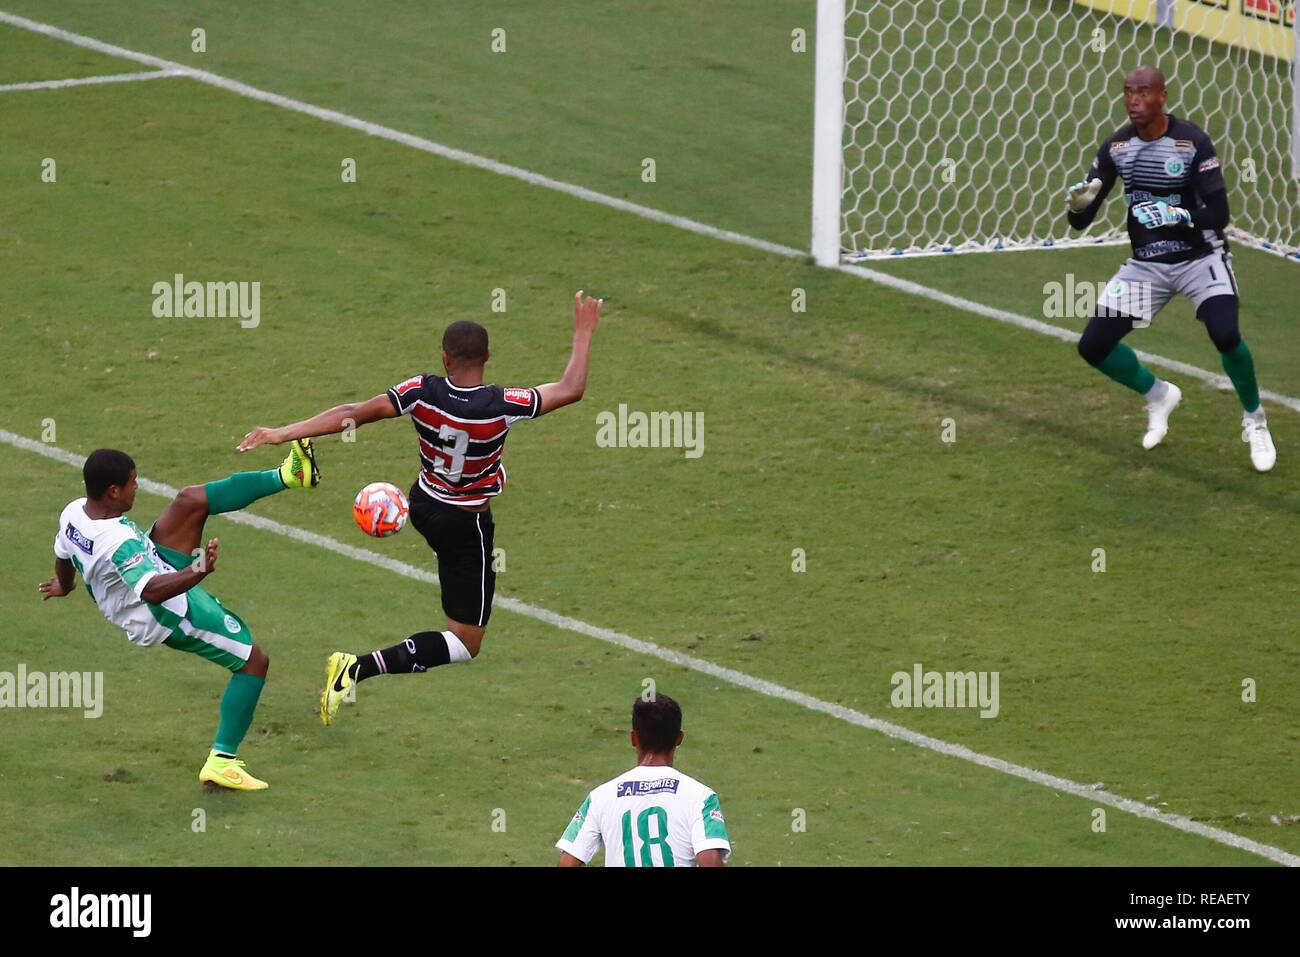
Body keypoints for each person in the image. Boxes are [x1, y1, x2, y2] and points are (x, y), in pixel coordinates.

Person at [235, 291, 601, 725]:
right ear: (488, 356)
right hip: (466, 527)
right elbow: (571, 388)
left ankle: (360, 659)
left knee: (453, 587)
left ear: (445, 357)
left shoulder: (421, 391)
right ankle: (356, 667)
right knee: (465, 641)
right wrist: (583, 331)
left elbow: (353, 412)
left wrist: (282, 432)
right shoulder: (504, 404)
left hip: (423, 504)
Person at [40, 441, 320, 789]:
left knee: (191, 500)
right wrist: (199, 571)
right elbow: (152, 590)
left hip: (153, 564)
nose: (137, 486)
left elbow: (63, 553)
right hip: (161, 612)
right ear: (113, 491)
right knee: (254, 662)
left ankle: (290, 474)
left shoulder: (74, 513)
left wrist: (65, 586)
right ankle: (222, 761)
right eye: (132, 482)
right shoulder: (116, 542)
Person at [1065, 65, 1275, 471]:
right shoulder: (1117, 149)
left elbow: (1219, 213)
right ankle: (1159, 394)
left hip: (1200, 258)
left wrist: (1176, 215)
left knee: (1225, 333)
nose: (1133, 101)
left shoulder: (1191, 143)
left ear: (1162, 96)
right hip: (1148, 266)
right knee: (1093, 346)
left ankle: (1255, 419)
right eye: (1128, 92)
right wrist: (1077, 205)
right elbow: (1080, 221)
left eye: (1143, 92)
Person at [556, 693, 731, 867]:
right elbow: (710, 862)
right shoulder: (701, 797)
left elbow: (567, 863)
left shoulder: (600, 797)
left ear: (633, 738)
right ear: (679, 738)